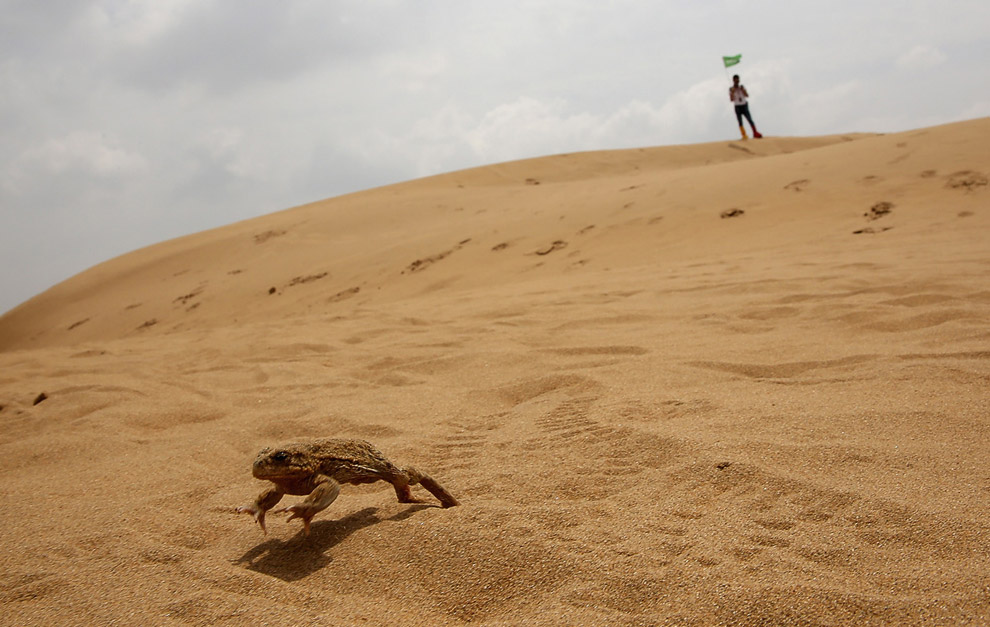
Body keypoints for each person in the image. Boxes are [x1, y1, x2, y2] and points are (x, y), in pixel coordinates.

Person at [729, 74, 762, 139]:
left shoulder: (742, 87)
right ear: (733, 80)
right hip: (737, 106)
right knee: (740, 121)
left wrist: (743, 90)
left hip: (744, 105)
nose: (737, 81)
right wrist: (732, 92)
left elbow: (747, 95)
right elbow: (731, 99)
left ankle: (755, 132)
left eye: (738, 79)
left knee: (750, 119)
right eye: (735, 79)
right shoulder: (731, 89)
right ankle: (744, 135)